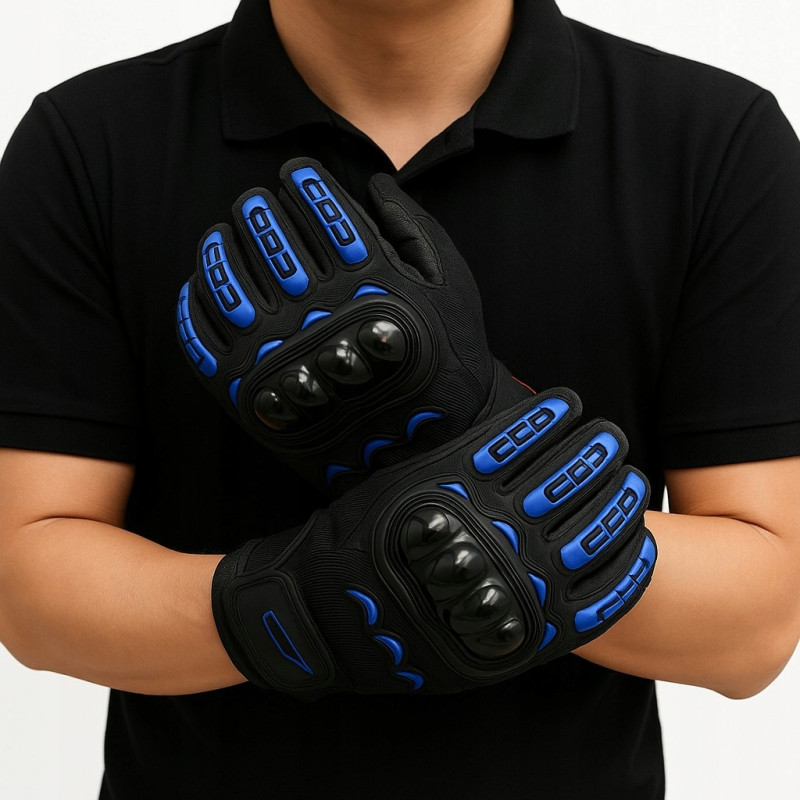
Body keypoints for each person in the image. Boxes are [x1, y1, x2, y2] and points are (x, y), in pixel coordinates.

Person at [0, 0, 799, 798]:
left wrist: (462, 426)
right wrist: (308, 604)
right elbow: (28, 591)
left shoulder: (714, 143)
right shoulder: (89, 142)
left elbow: (755, 627)